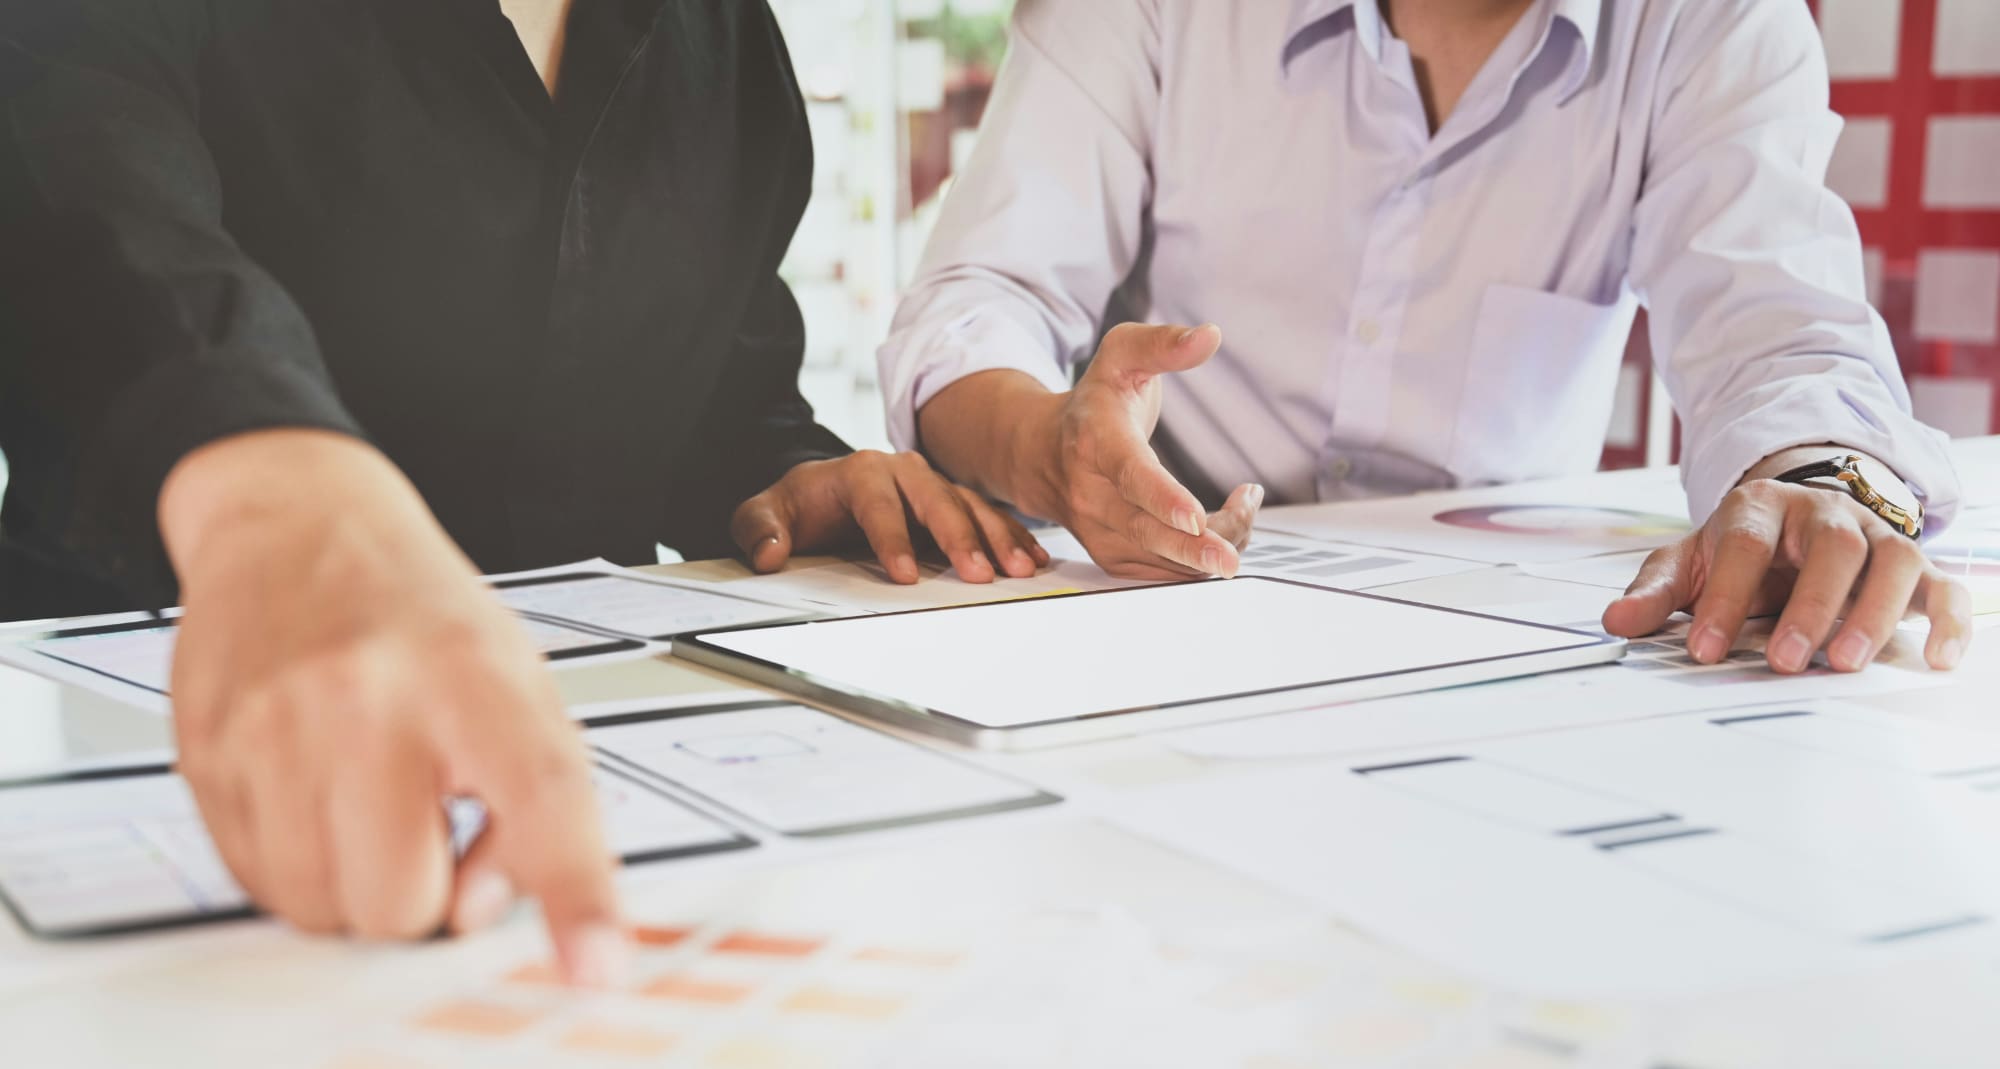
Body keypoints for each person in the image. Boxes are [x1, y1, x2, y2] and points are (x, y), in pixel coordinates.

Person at [0, 0, 1043, 982]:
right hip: (123, 772)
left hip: (625, 793)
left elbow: (715, 377)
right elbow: (70, 175)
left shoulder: (720, 29)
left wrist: (782, 470)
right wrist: (268, 476)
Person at [880, 0, 1973, 676]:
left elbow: (1777, 337)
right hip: (1157, 604)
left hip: (1505, 649)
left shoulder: (1709, 20)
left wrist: (1818, 479)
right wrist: (1047, 446)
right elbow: (979, 293)